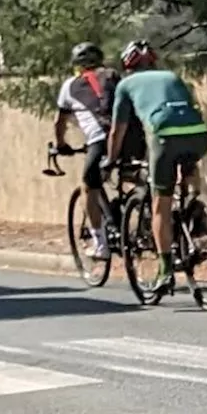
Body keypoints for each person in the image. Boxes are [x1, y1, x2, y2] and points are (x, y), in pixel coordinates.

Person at [107, 39, 207, 295]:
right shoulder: (172, 76)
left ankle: (165, 270)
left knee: (160, 205)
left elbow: (117, 131)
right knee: (186, 170)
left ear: (127, 66)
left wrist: (110, 160)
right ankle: (195, 215)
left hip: (163, 136)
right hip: (199, 134)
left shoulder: (126, 84)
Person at [54, 42, 121, 259]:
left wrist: (60, 145)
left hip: (100, 140)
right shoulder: (114, 77)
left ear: (77, 65)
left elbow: (59, 122)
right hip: (130, 136)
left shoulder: (70, 85)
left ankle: (100, 244)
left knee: (88, 187)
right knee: (128, 171)